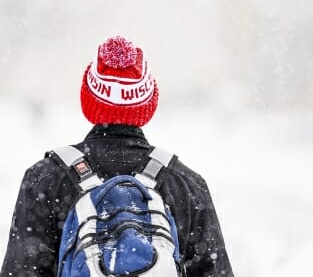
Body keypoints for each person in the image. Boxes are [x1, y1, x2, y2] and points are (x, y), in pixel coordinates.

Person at [0, 36, 234, 277]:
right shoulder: (185, 185)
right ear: (148, 103)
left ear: (88, 100)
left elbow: (21, 272)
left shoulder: (45, 179)